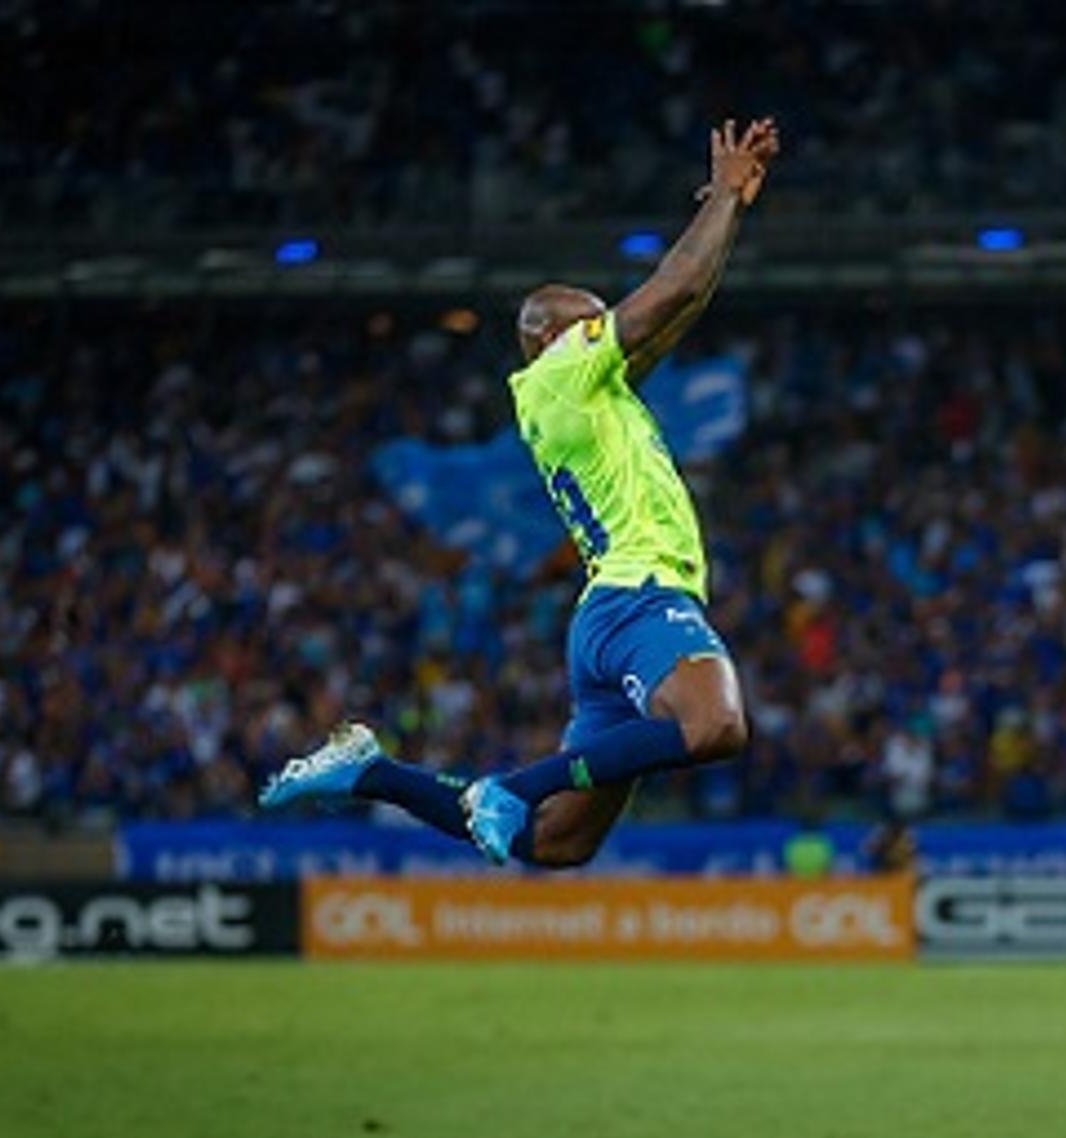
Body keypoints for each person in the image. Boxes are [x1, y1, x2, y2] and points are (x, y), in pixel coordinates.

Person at [259, 118, 780, 867]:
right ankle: (511, 785)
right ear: (552, 338)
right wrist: (724, 192)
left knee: (557, 844)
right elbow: (674, 288)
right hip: (640, 595)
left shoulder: (584, 396)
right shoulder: (563, 374)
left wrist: (732, 211)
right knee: (716, 725)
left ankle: (372, 770)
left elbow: (683, 310)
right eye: (592, 322)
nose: (607, 329)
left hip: (605, 618)